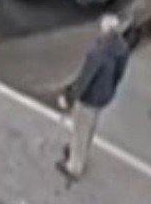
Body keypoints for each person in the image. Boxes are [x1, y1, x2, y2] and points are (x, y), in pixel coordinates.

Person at [57, 13, 132, 181]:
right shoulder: (122, 48)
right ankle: (81, 153)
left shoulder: (98, 53)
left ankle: (74, 166)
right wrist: (110, 90)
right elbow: (119, 74)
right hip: (103, 95)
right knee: (89, 128)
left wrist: (70, 97)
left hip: (89, 97)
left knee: (80, 130)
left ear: (106, 30)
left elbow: (85, 79)